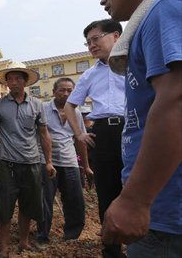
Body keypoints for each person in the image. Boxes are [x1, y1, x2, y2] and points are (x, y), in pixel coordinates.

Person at [88, 0, 182, 256]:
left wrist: (135, 200)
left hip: (167, 213)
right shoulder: (160, 14)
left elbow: (176, 100)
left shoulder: (166, 6)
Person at [63, 19, 125, 258]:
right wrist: (79, 133)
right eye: (88, 42)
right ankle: (111, 249)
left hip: (133, 129)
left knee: (137, 185)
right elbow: (70, 107)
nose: (91, 45)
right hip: (103, 135)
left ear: (116, 36)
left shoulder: (134, 65)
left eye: (96, 39)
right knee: (107, 192)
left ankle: (145, 244)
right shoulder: (89, 75)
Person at [0, 62, 56, 257]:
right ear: (6, 82)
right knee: (4, 207)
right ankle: (3, 248)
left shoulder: (37, 105)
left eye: (18, 78)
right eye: (10, 79)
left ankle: (24, 242)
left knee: (27, 206)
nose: (13, 82)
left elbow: (44, 134)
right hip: (6, 163)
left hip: (32, 163)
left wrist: (49, 161)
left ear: (25, 81)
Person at [36, 78, 93, 246]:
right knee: (45, 201)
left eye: (70, 90)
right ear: (54, 92)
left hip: (70, 162)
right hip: (47, 161)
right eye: (62, 90)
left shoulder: (76, 113)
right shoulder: (43, 109)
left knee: (75, 200)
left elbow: (79, 139)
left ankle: (72, 236)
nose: (66, 94)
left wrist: (86, 166)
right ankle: (42, 236)